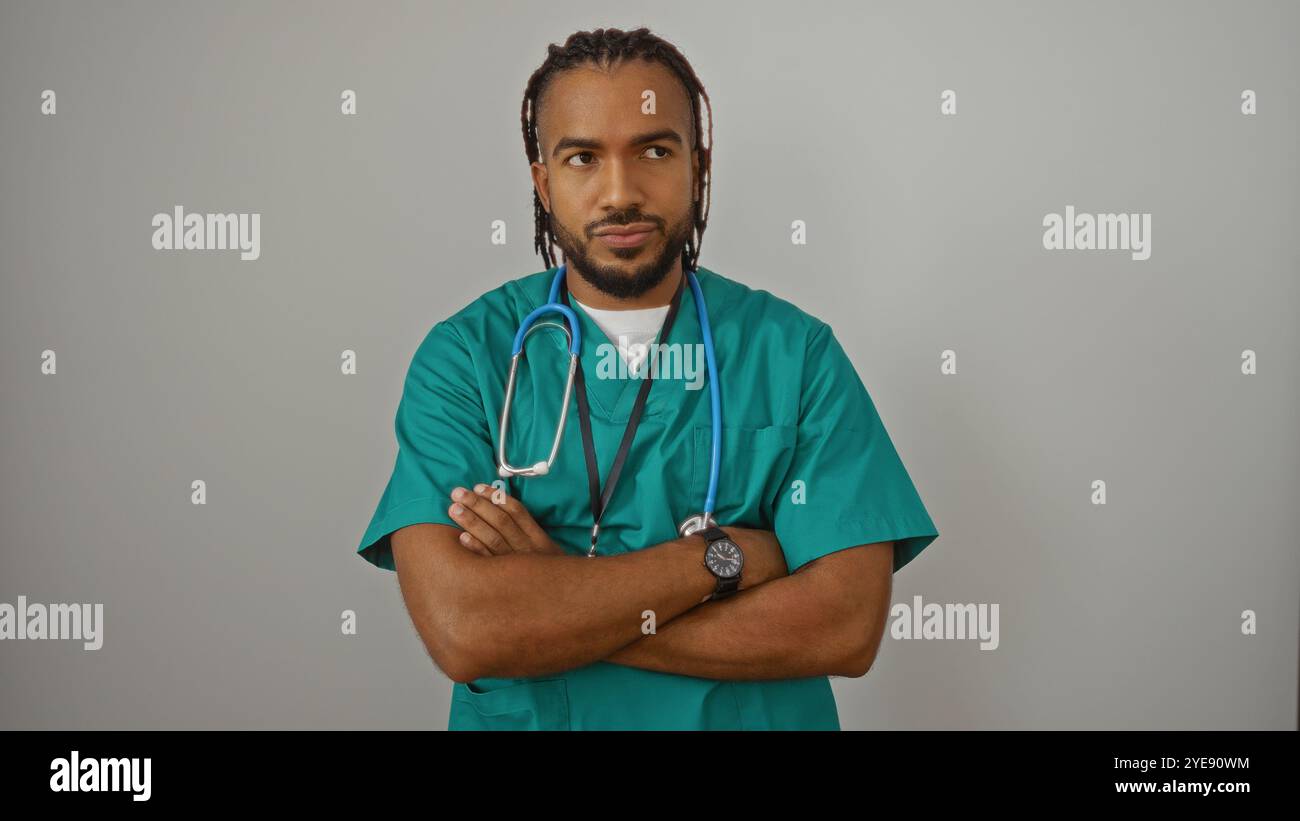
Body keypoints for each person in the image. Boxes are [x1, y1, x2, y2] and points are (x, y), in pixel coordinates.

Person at [356, 26, 939, 730]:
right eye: (582, 158)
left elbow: (844, 627)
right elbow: (467, 629)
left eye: (655, 150)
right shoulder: (467, 359)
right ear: (543, 182)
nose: (620, 192)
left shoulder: (796, 354)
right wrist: (721, 560)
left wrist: (553, 604)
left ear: (699, 166)